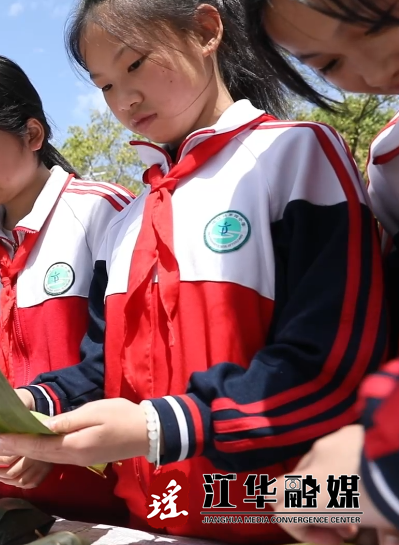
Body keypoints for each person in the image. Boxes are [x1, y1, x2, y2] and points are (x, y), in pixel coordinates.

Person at [0, 0, 388, 543]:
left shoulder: (295, 154)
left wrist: (159, 426)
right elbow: (102, 368)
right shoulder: (129, 220)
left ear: (206, 30)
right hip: (149, 521)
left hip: (283, 520)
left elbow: (333, 364)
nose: (124, 99)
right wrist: (32, 402)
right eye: (105, 85)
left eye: (135, 64)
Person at [0, 54, 131, 525]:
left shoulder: (105, 213)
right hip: (5, 513)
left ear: (32, 134)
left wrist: (53, 438)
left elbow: (132, 365)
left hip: (107, 514)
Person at [243, 1, 399, 541]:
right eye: (329, 64)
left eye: (381, 22)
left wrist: (381, 467)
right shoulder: (390, 166)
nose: (376, 73)